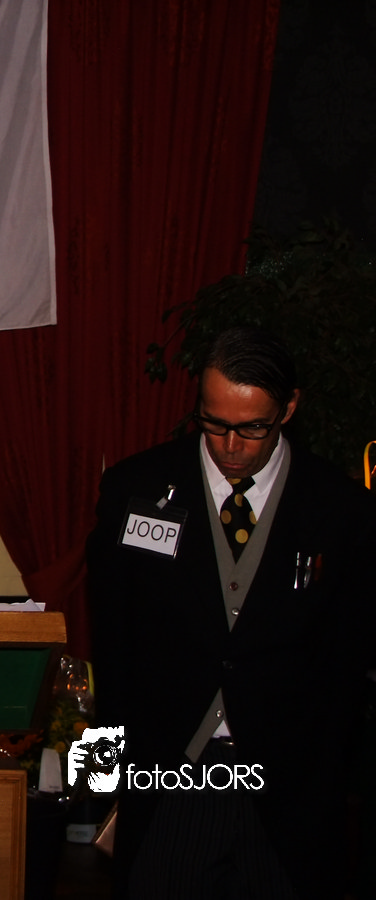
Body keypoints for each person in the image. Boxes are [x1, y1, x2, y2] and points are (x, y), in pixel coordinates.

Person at [87, 326, 376, 899]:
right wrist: (106, 770)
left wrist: (331, 774)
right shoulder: (136, 489)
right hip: (168, 778)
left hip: (290, 790)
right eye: (214, 423)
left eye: (252, 428)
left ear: (288, 409)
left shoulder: (342, 510)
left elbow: (348, 659)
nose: (229, 445)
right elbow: (114, 641)